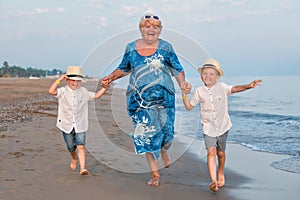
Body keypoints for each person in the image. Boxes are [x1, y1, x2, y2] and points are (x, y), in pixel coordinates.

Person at [101, 13, 191, 187]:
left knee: (167, 135)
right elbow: (123, 67)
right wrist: (111, 77)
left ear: (160, 30)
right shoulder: (130, 48)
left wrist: (183, 83)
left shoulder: (166, 47)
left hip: (165, 99)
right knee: (146, 135)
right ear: (141, 29)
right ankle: (155, 174)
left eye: (155, 27)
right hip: (139, 101)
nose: (151, 29)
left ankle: (164, 150)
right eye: (147, 26)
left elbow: (177, 68)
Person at [182, 58, 262, 192]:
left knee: (220, 153)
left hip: (223, 126)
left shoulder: (222, 87)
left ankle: (220, 172)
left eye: (211, 74)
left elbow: (235, 89)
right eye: (205, 73)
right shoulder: (199, 91)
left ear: (217, 77)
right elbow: (189, 106)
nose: (207, 76)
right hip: (208, 127)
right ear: (201, 75)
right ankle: (213, 181)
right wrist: (184, 96)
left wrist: (248, 86)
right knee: (211, 152)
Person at [48, 66, 107, 175]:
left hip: (80, 124)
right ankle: (74, 158)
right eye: (72, 80)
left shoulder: (83, 91)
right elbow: (51, 91)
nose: (75, 83)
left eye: (78, 81)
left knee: (81, 146)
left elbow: (96, 96)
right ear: (67, 80)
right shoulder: (63, 91)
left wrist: (104, 88)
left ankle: (83, 168)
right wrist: (59, 80)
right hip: (66, 124)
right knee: (71, 146)